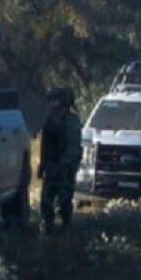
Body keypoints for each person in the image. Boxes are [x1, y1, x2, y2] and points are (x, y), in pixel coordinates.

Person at [38, 86, 83, 233]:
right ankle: (48, 224)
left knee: (64, 198)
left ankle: (65, 225)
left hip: (66, 166)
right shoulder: (49, 121)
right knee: (46, 198)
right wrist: (43, 165)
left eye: (55, 101)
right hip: (52, 164)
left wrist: (63, 166)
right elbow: (45, 145)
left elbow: (73, 147)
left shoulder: (72, 122)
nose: (52, 105)